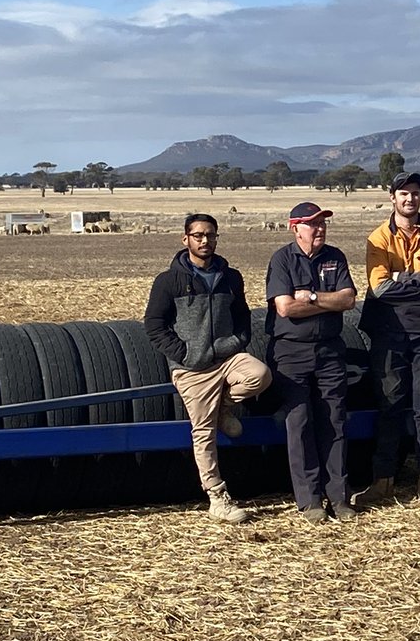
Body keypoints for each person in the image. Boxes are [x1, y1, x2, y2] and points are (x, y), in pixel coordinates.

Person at [144, 213, 272, 524]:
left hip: (226, 358)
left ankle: (223, 408)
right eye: (198, 235)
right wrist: (185, 354)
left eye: (211, 235)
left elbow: (242, 316)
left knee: (260, 375)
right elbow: (154, 325)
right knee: (203, 433)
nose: (205, 241)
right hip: (192, 368)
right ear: (185, 239)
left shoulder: (230, 277)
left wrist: (236, 342)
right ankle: (217, 498)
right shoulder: (168, 281)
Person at [355, 170, 420, 502]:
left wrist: (402, 278)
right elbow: (380, 288)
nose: (409, 198)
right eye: (403, 193)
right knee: (390, 406)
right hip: (389, 332)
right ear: (392, 198)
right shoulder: (378, 238)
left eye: (415, 193)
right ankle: (383, 481)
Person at [264, 202, 357, 524]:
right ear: (295, 228)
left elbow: (349, 299)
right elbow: (286, 308)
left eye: (322, 223)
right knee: (300, 423)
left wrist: (313, 297)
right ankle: (310, 501)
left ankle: (340, 497)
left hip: (330, 350)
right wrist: (329, 303)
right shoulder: (282, 259)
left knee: (335, 420)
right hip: (291, 353)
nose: (319, 229)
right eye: (312, 224)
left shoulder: (335, 257)